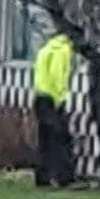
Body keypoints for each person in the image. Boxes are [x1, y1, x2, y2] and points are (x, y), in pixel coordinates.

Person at [30, 29, 79, 189]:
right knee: (61, 139)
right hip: (52, 99)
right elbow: (59, 75)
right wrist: (61, 98)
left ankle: (43, 176)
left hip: (40, 96)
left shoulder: (45, 49)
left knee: (45, 139)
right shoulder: (63, 50)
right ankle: (64, 177)